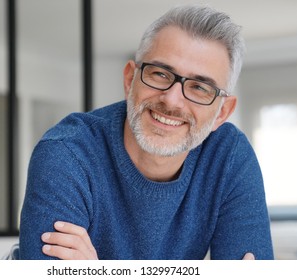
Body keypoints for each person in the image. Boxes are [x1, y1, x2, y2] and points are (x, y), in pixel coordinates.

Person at [19, 4, 274, 260]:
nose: (172, 101)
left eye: (199, 88)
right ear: (130, 79)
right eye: (161, 74)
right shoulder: (66, 154)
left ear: (222, 112)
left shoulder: (229, 157)